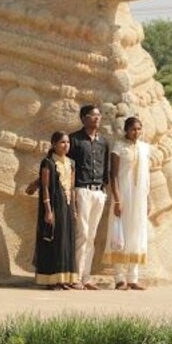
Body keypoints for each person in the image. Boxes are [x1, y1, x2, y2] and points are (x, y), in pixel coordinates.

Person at [102, 116, 151, 290]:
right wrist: (117, 199)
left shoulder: (145, 148)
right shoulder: (119, 147)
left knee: (137, 232)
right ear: (126, 130)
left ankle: (133, 278)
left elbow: (146, 176)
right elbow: (113, 175)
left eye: (139, 129)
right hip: (123, 195)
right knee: (119, 232)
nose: (136, 132)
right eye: (133, 129)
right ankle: (119, 278)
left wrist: (148, 198)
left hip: (139, 197)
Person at [68, 104, 110, 290]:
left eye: (99, 115)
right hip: (81, 189)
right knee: (81, 234)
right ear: (83, 118)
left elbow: (106, 167)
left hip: (98, 191)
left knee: (91, 236)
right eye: (93, 116)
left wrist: (105, 190)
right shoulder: (74, 140)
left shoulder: (103, 142)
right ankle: (75, 276)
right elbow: (68, 167)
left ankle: (86, 277)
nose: (97, 119)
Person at [33, 131, 79, 289]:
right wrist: (48, 210)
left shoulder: (71, 163)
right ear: (54, 144)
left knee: (66, 240)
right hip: (54, 204)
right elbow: (45, 187)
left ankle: (63, 278)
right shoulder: (48, 163)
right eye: (62, 142)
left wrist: (74, 208)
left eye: (67, 142)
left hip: (66, 205)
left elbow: (72, 188)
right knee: (54, 240)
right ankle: (50, 280)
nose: (66, 145)